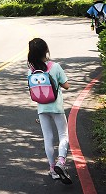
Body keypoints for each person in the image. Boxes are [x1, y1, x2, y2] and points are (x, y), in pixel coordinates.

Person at [27, 37, 72, 184]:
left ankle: (53, 169)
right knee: (63, 134)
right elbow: (66, 86)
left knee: (48, 138)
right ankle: (61, 162)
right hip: (56, 107)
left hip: (42, 108)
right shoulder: (55, 66)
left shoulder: (31, 71)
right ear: (46, 50)